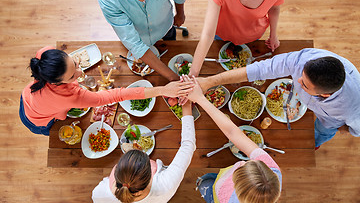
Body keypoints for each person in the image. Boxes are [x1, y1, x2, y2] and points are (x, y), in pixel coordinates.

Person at [196, 48, 360, 148]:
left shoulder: (353, 108)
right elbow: (258, 69)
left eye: (304, 85)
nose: (297, 82)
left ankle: (315, 143)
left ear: (324, 95)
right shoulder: (302, 60)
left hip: (330, 120)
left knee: (321, 132)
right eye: (300, 76)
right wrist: (210, 81)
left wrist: (338, 127)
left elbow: (355, 130)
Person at [19, 46, 194, 136]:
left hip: (27, 97)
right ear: (56, 82)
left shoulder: (44, 55)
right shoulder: (70, 97)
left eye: (76, 64)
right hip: (37, 120)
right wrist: (163, 89)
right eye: (73, 76)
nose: (81, 73)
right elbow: (118, 95)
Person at [182, 75, 281, 203]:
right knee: (209, 178)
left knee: (204, 184)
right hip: (223, 179)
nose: (242, 162)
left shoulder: (226, 198)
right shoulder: (272, 171)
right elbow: (232, 132)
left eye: (242, 167)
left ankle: (202, 184)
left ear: (237, 189)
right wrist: (200, 98)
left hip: (217, 195)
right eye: (249, 163)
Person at [190, 0, 286, 77]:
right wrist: (193, 74)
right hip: (222, 31)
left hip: (253, 33)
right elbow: (207, 35)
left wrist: (273, 35)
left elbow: (274, 8)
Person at [97, 0, 187, 81]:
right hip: (139, 35)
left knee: (172, 44)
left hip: (165, 26)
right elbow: (135, 44)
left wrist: (180, 14)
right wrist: (173, 77)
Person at [91, 101, 196, 203]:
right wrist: (186, 105)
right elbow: (188, 146)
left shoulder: (100, 194)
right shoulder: (166, 184)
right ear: (149, 174)